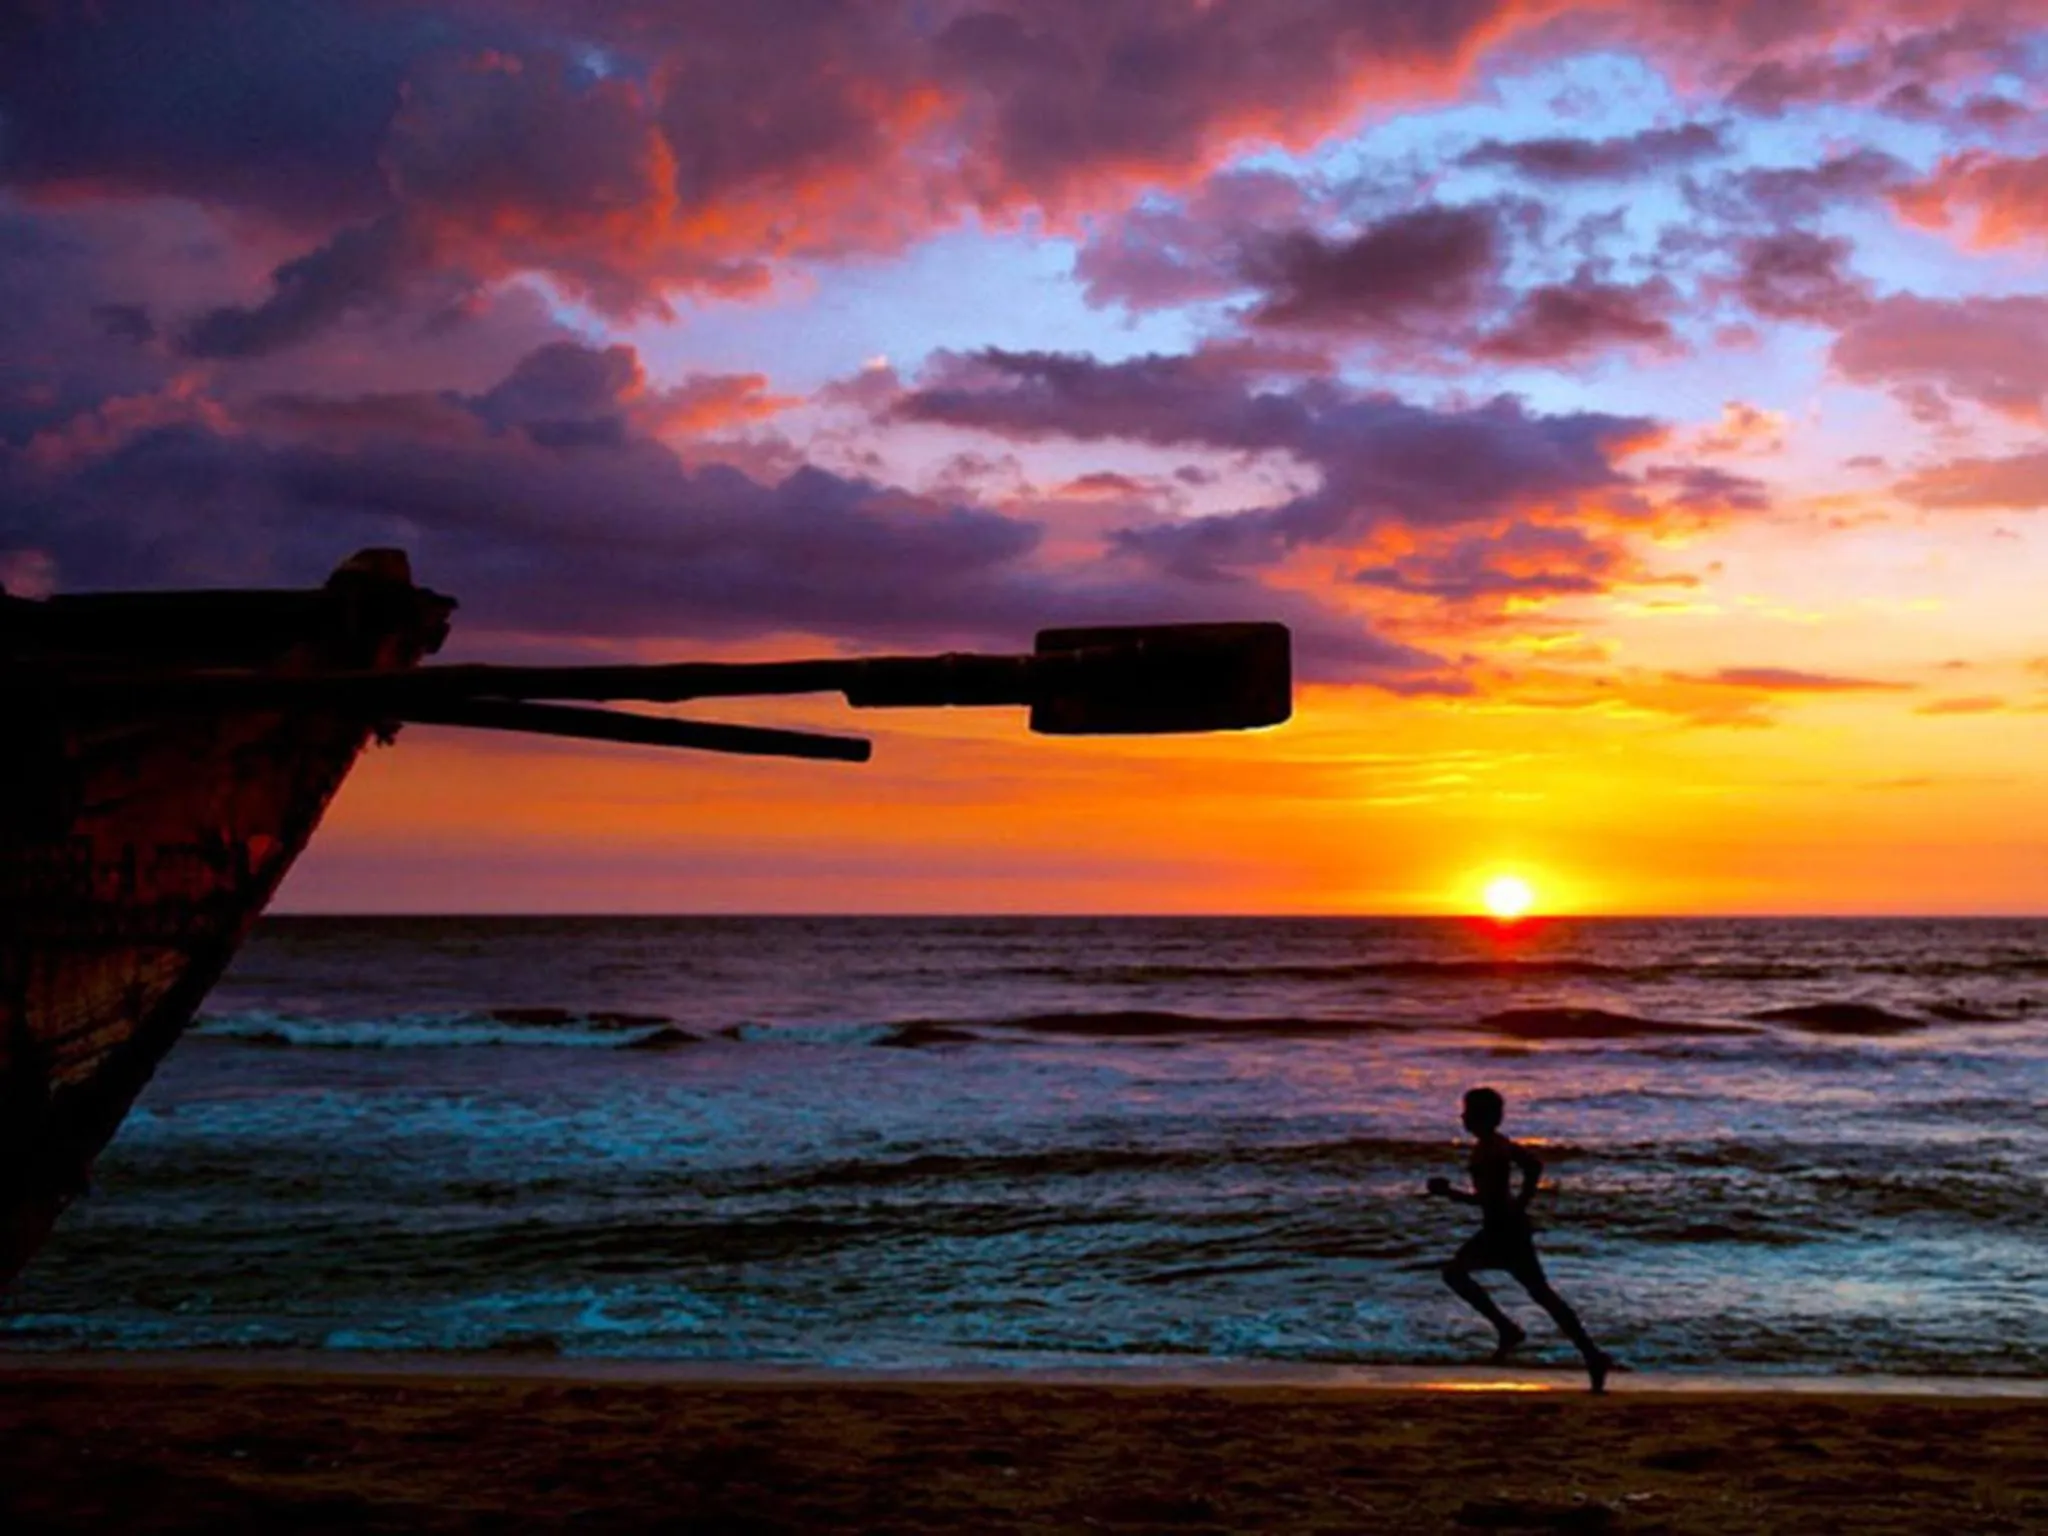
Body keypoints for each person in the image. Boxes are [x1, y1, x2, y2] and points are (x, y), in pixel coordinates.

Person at [1426, 1085, 1613, 1392]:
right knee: (1540, 1294)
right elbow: (1530, 1167)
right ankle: (1590, 1354)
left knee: (1456, 1275)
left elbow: (1494, 1195)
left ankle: (1511, 1330)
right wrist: (1520, 1203)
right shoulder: (1495, 1144)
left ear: (1483, 1117)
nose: (1463, 1117)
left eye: (1468, 1112)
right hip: (1506, 1227)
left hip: (1503, 1231)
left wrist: (1450, 1194)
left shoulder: (1492, 1148)